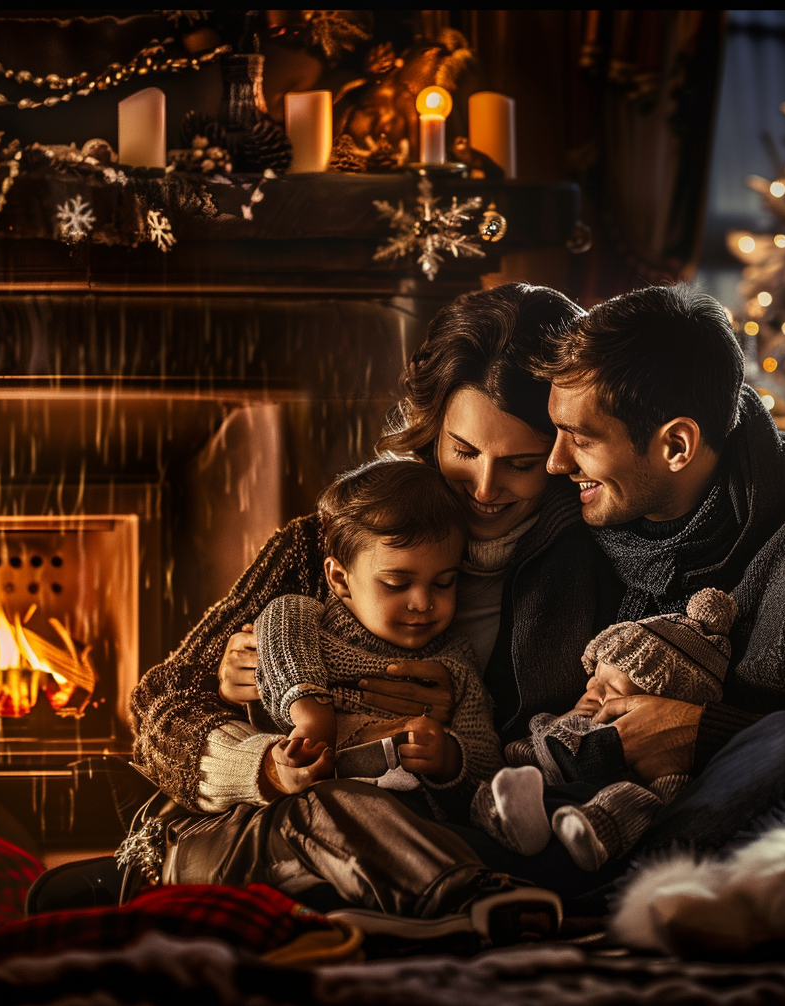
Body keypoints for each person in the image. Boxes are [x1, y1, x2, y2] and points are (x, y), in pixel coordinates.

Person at [125, 282, 621, 917]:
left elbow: (580, 743)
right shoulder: (338, 540)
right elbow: (158, 706)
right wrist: (261, 750)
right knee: (337, 814)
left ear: (561, 453)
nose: (485, 490)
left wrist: (459, 735)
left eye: (520, 464)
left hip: (454, 828)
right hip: (283, 822)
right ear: (432, 428)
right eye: (463, 452)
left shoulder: (592, 565)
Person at [534, 283, 785, 854]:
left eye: (579, 438)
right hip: (556, 810)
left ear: (677, 445)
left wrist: (703, 735)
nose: (555, 462)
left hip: (756, 847)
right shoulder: (574, 531)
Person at [253, 459, 504, 822]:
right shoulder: (309, 621)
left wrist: (450, 758)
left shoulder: (452, 664)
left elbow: (485, 760)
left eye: (444, 582)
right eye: (397, 584)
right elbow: (281, 637)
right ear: (340, 579)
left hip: (406, 816)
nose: (423, 602)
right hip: (308, 802)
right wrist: (311, 717)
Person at [473, 588, 737, 871]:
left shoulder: (662, 760)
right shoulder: (582, 722)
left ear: (658, 709)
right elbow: (527, 748)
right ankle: (517, 820)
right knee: (501, 787)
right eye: (594, 678)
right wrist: (558, 727)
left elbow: (664, 801)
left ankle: (593, 830)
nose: (591, 690)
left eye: (610, 689)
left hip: (596, 814)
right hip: (537, 792)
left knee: (634, 800)